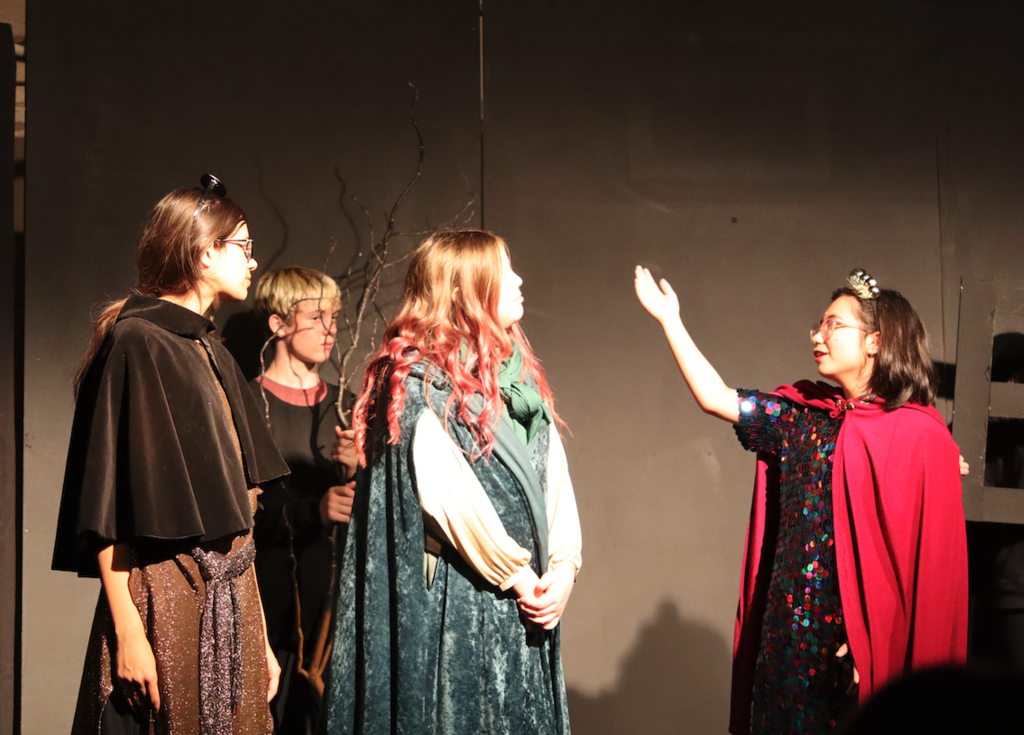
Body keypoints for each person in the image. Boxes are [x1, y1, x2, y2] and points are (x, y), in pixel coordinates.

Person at [634, 266, 968, 735]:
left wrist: (869, 641)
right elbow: (715, 397)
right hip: (785, 633)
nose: (819, 333)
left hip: (852, 647)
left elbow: (919, 563)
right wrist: (672, 322)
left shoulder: (916, 434)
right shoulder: (799, 415)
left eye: (835, 324)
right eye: (820, 323)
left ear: (875, 341)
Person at [52, 175, 291, 735]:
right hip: (167, 600)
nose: (253, 263)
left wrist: (260, 638)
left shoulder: (209, 348)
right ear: (206, 253)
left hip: (230, 601)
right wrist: (130, 635)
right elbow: (108, 509)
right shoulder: (139, 343)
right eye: (244, 248)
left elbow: (240, 517)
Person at [322, 229, 582, 735]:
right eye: (506, 270)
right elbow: (448, 497)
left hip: (526, 608)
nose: (520, 279)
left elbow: (553, 477)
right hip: (465, 608)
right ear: (466, 289)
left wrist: (566, 567)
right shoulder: (418, 385)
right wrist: (520, 577)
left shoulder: (516, 382)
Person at [248, 267, 357, 733]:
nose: (330, 329)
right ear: (278, 324)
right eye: (316, 316)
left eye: (334, 316)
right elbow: (238, 516)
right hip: (266, 607)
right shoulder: (248, 405)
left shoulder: (349, 406)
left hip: (332, 611)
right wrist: (312, 511)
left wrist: (358, 471)